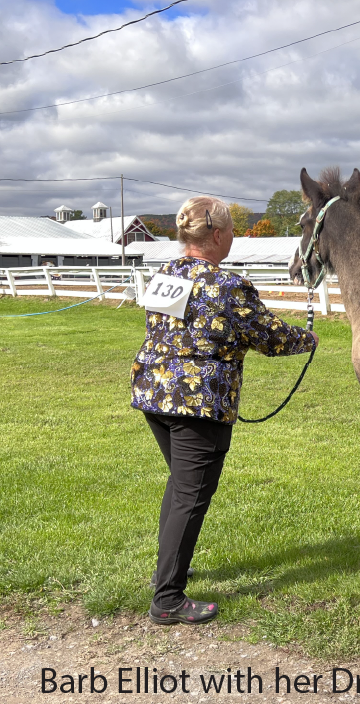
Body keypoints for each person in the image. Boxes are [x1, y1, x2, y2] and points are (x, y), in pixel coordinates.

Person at [130, 196, 318, 625]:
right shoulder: (228, 285)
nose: (234, 236)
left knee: (181, 487)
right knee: (191, 495)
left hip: (154, 393)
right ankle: (168, 599)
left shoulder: (165, 273)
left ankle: (167, 571)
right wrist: (307, 339)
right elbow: (269, 336)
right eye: (232, 230)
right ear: (216, 235)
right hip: (197, 402)